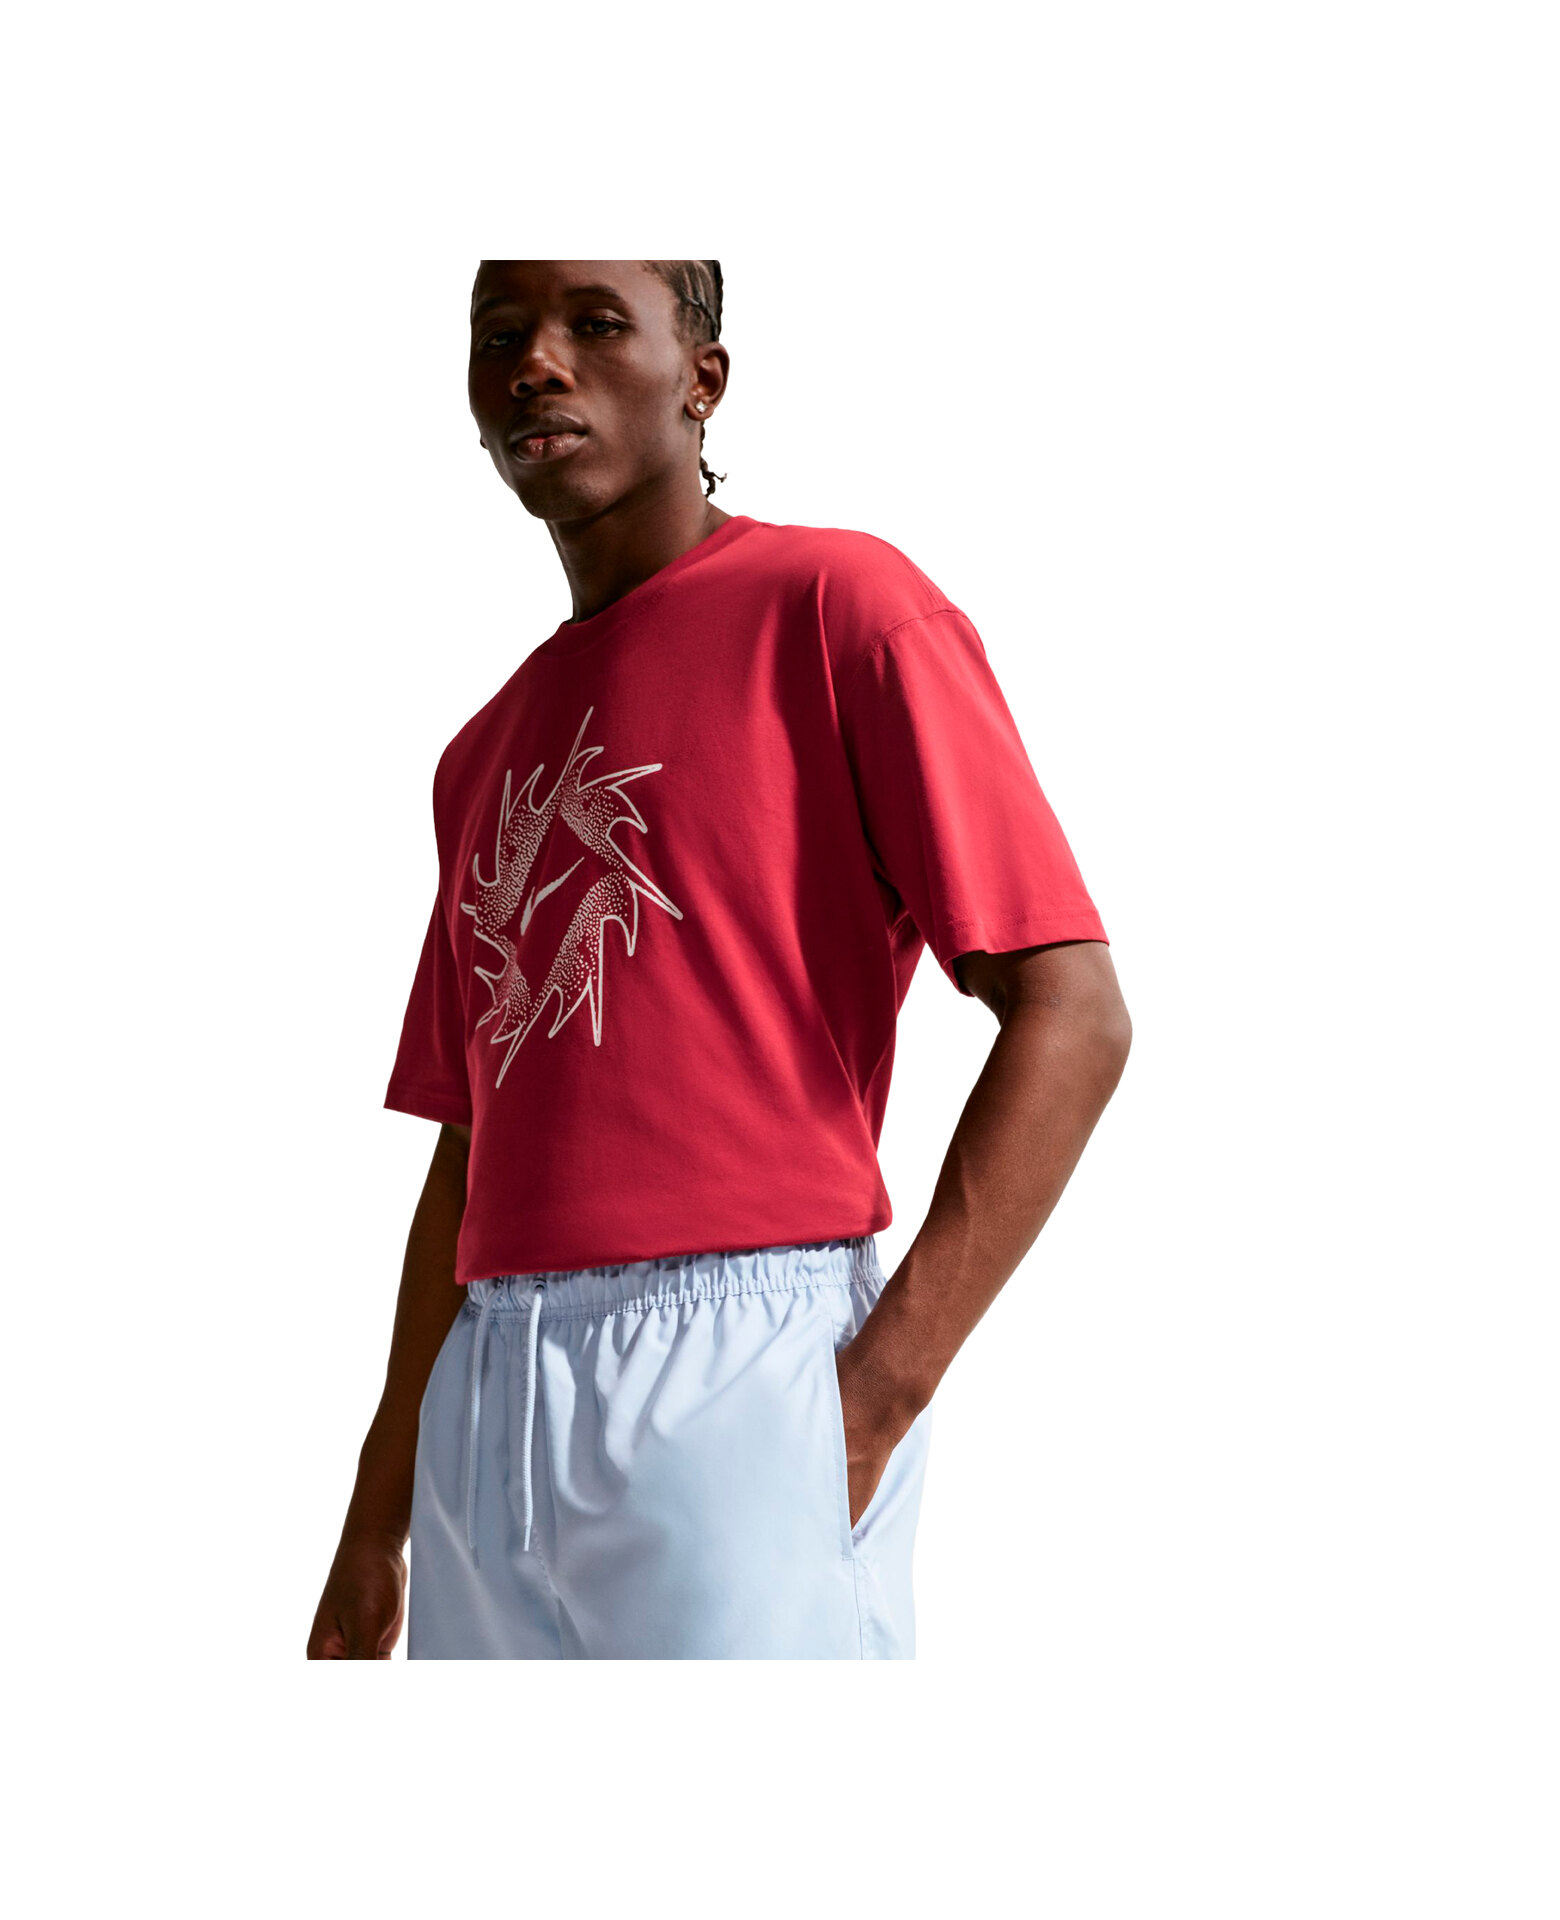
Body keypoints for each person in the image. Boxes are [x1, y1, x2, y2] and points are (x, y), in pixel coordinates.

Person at [306, 260, 1131, 1660]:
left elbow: (1074, 1013)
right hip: (487, 1393)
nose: (537, 363)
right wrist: (376, 1520)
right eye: (500, 335)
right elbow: (471, 1148)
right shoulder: (481, 751)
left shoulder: (838, 605)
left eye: (595, 322)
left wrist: (874, 1397)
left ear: (704, 379)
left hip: (740, 1365)